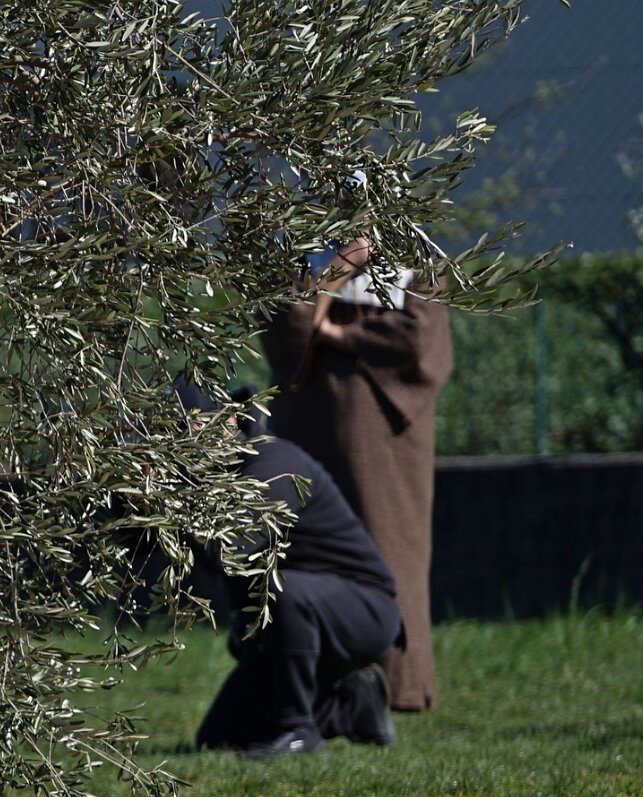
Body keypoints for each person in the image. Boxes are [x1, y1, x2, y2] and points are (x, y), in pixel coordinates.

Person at [259, 235, 452, 712]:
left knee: (390, 545)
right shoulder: (301, 253)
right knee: (308, 554)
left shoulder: (419, 259)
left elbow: (418, 342)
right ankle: (309, 687)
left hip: (387, 441)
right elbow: (286, 327)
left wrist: (335, 334)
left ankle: (396, 684)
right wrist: (338, 268)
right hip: (306, 427)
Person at [194, 390, 402, 760]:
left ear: (228, 419)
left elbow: (231, 549)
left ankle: (298, 729)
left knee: (283, 590)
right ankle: (352, 704)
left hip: (364, 610)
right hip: (292, 616)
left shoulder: (274, 463)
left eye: (189, 425)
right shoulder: (216, 476)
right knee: (218, 737)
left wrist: (169, 503)